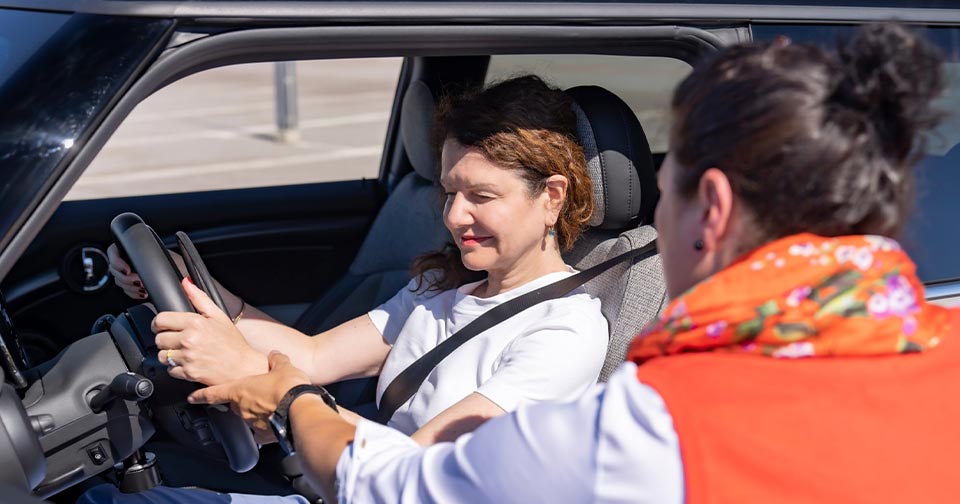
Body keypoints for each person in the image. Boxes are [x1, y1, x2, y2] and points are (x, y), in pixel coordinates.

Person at [88, 23, 960, 504]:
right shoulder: (945, 355)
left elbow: (411, 488)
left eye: (673, 188)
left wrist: (286, 399)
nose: (659, 209)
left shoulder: (646, 428)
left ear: (715, 209)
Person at [84, 75, 609, 502]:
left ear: (552, 198)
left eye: (482, 195)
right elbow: (311, 357)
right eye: (450, 192)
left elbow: (417, 473)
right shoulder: (443, 288)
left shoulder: (564, 331)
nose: (454, 215)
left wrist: (276, 394)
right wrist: (185, 281)